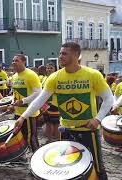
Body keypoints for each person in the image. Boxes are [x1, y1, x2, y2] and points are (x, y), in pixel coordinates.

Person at [14, 42, 113, 179]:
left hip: (88, 131)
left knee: (97, 168)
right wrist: (23, 117)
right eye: (60, 53)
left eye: (64, 53)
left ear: (76, 55)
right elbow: (40, 100)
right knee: (69, 170)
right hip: (66, 130)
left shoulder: (93, 75)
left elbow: (109, 98)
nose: (60, 56)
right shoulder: (54, 77)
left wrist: (97, 119)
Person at [8, 54, 42, 153]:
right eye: (13, 60)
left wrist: (23, 101)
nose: (14, 62)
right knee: (20, 137)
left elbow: (38, 93)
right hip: (18, 113)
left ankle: (36, 157)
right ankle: (24, 157)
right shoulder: (14, 77)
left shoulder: (31, 75)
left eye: (16, 60)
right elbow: (15, 94)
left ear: (23, 62)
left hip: (30, 114)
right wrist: (11, 105)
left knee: (31, 138)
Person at [43, 63, 60, 142]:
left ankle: (57, 141)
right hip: (45, 104)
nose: (49, 69)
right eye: (47, 68)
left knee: (56, 124)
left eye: (51, 68)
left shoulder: (58, 78)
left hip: (55, 104)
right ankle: (49, 141)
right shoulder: (44, 79)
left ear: (55, 69)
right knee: (48, 123)